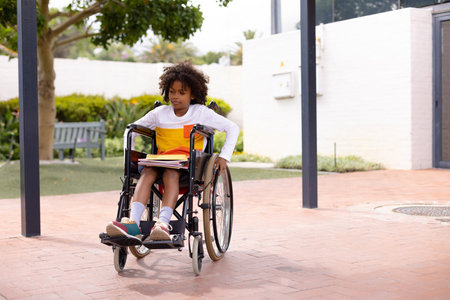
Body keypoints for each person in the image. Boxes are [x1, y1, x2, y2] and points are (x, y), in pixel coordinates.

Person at [106, 61, 239, 241]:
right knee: (147, 171)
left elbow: (232, 128)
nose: (175, 96)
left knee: (170, 173)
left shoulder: (200, 112)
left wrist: (224, 156)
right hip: (160, 161)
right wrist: (127, 156)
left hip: (187, 164)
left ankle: (162, 223)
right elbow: (131, 130)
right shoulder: (159, 113)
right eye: (172, 92)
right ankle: (133, 223)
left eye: (182, 92)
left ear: (193, 95)